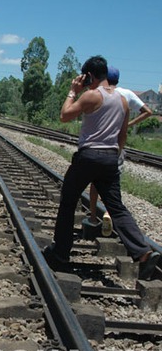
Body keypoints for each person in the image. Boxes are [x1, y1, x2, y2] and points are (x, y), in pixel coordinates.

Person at [43, 55, 159, 280]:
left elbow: (64, 115)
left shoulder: (90, 96)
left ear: (89, 76)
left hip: (88, 156)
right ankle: (143, 252)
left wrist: (72, 91)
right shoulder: (123, 101)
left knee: (68, 202)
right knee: (116, 207)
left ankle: (61, 253)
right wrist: (114, 157)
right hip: (110, 158)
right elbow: (122, 135)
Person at [88, 66, 154, 235]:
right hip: (117, 146)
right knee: (112, 183)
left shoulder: (101, 93)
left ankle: (94, 216)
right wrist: (129, 124)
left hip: (99, 145)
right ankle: (109, 212)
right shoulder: (128, 94)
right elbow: (148, 111)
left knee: (95, 181)